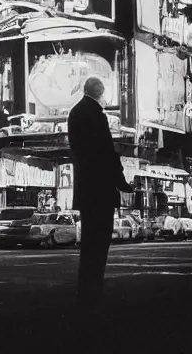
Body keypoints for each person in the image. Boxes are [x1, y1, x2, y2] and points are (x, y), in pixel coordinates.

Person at [68, 76, 133, 317]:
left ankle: (85, 291)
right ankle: (93, 291)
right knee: (99, 243)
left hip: (85, 188)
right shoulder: (96, 113)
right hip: (101, 189)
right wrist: (122, 183)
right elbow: (106, 152)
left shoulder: (75, 112)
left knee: (89, 244)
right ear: (100, 92)